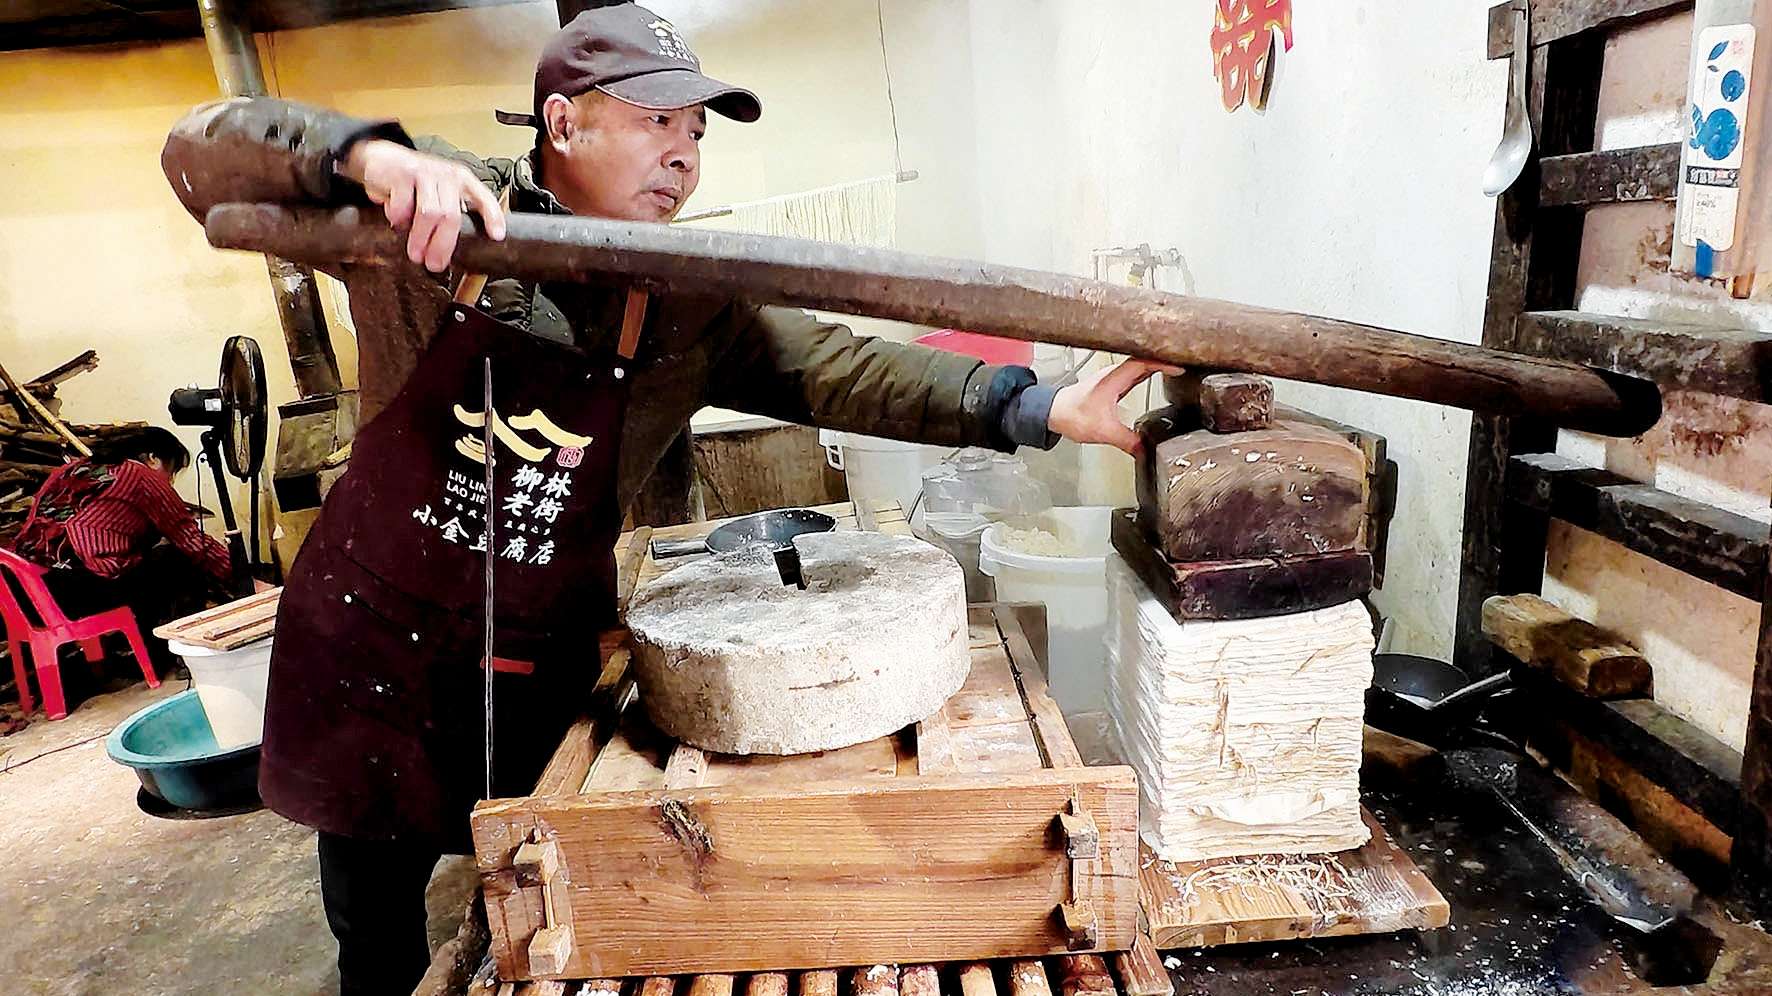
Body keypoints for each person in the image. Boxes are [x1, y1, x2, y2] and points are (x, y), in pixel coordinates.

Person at [160, 5, 1173, 992]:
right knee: (375, 932)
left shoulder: (684, 298)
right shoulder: (433, 214)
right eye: (656, 121)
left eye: (695, 131)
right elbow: (202, 156)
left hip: (530, 656)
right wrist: (364, 157)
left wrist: (1036, 404)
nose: (683, 154)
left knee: (535, 901)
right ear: (564, 123)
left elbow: (844, 368)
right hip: (375, 651)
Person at [9, 427, 233, 666]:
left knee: (142, 566)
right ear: (153, 458)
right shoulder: (138, 474)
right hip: (72, 592)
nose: (170, 481)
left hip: (22, 594)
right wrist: (241, 577)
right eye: (171, 470)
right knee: (177, 560)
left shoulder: (69, 470)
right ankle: (177, 655)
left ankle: (146, 652)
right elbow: (190, 539)